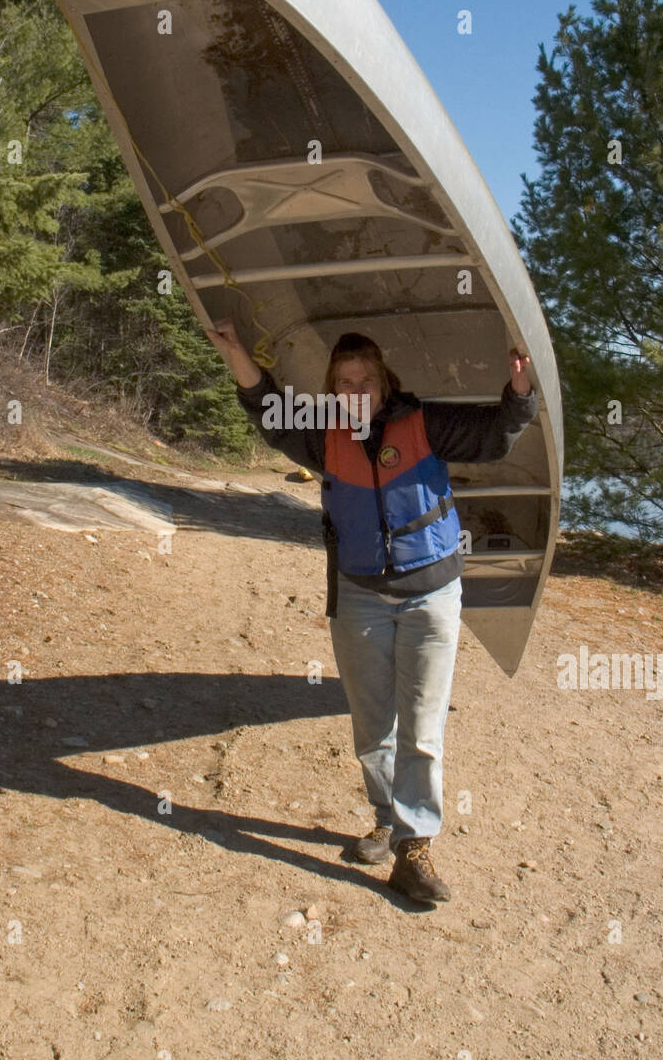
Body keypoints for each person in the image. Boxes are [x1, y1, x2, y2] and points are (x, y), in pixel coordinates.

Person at [206, 319, 538, 905]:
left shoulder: (424, 423)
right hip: (359, 594)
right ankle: (387, 819)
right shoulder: (322, 437)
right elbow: (266, 410)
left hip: (431, 594)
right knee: (371, 726)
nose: (355, 392)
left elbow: (494, 436)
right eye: (343, 382)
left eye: (365, 380)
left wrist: (520, 389)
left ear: (384, 383)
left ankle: (415, 847)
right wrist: (236, 353)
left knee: (422, 726)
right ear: (333, 391)